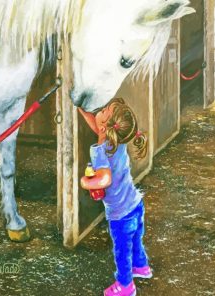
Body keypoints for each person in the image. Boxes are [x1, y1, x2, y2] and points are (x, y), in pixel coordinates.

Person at [79, 98, 152, 296]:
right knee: (137, 240)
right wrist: (82, 110)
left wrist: (85, 182)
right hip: (136, 204)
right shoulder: (116, 140)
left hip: (120, 214)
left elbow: (104, 179)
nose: (100, 110)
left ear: (106, 127)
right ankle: (142, 267)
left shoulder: (100, 151)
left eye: (103, 111)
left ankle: (126, 285)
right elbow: (98, 128)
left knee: (122, 251)